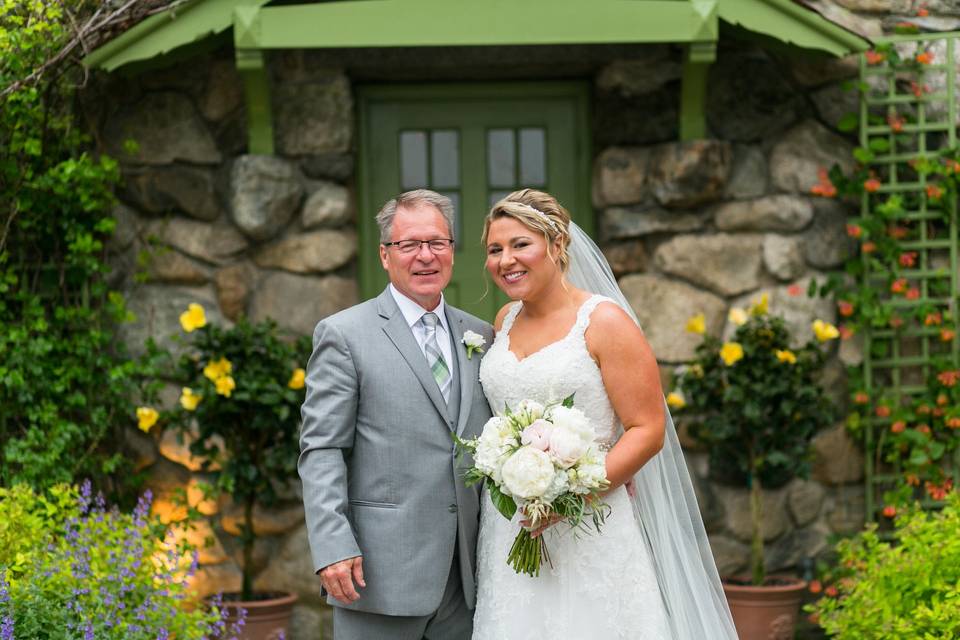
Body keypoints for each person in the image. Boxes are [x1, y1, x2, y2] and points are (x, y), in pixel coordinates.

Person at [472, 189, 739, 639]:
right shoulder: (505, 320)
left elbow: (647, 429)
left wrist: (569, 496)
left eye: (521, 245)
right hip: (511, 523)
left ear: (557, 246)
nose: (505, 260)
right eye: (495, 249)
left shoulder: (604, 322)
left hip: (589, 525)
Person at [299, 189, 494, 640]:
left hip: (467, 579)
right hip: (379, 574)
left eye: (437, 243)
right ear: (385, 256)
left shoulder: (481, 334)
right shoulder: (344, 335)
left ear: (451, 250)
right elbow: (322, 449)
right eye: (409, 245)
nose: (425, 256)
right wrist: (332, 546)